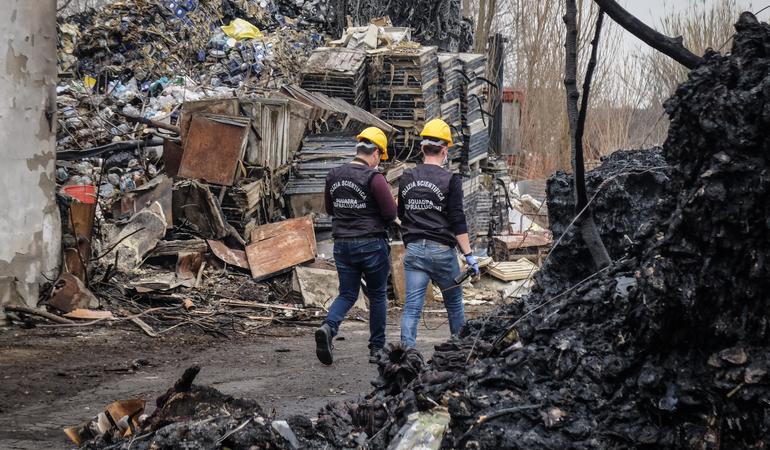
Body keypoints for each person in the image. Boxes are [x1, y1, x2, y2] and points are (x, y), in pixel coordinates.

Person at [315, 127, 397, 365]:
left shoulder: (334, 174)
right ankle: (376, 349)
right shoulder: (374, 178)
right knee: (378, 295)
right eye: (380, 158)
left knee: (348, 293)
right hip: (371, 244)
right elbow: (391, 213)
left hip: (342, 244)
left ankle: (329, 327)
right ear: (376, 154)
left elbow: (330, 210)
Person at [398, 118, 479, 348]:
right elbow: (457, 220)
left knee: (412, 307)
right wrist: (469, 255)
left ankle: (406, 357)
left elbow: (401, 213)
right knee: (454, 305)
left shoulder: (406, 177)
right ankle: (460, 352)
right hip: (442, 253)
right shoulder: (451, 180)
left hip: (414, 251)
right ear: (444, 150)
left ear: (422, 148)